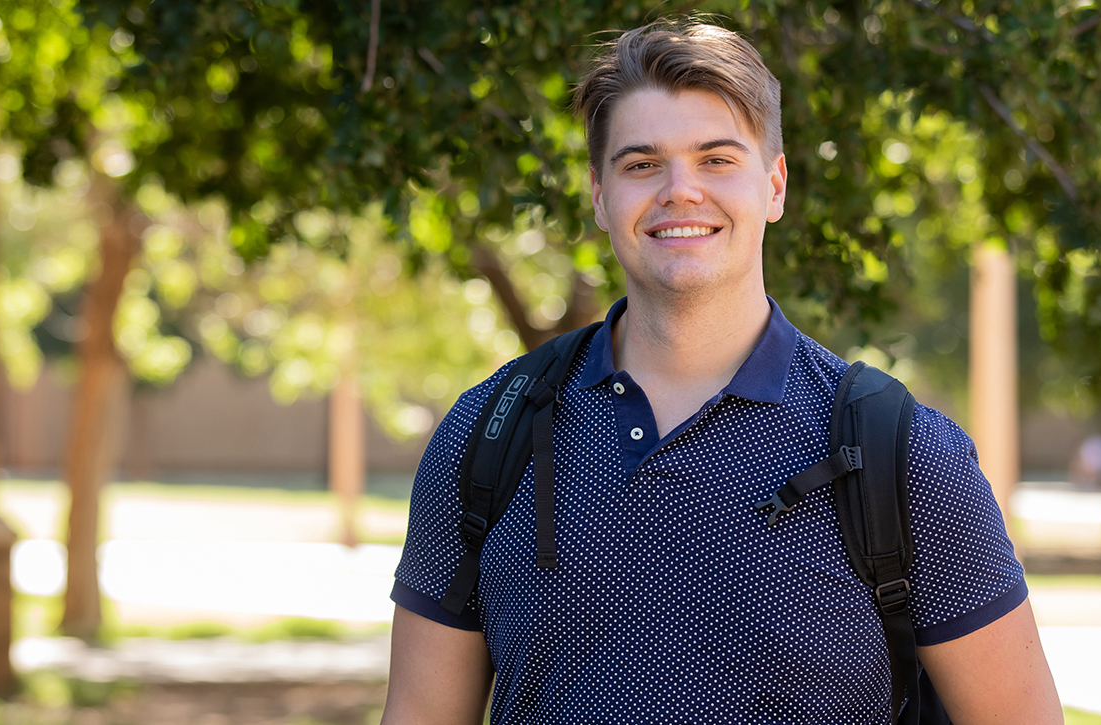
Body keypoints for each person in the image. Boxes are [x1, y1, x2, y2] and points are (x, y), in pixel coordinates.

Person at [381, 19, 1062, 725]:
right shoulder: (487, 436)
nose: (681, 190)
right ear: (598, 194)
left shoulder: (904, 454)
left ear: (774, 185)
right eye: (642, 164)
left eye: (717, 159)